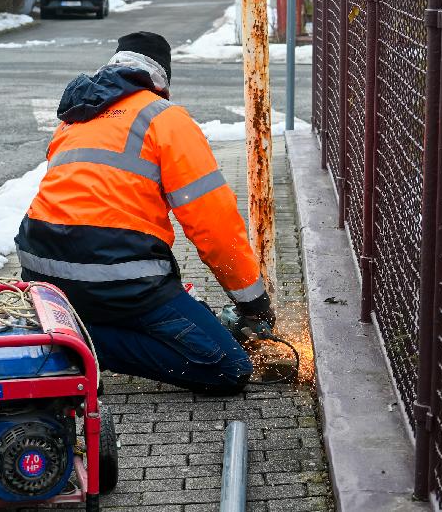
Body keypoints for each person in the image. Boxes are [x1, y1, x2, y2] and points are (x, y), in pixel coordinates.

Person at [15, 31, 275, 394]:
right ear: (160, 80)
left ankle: (68, 330)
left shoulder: (75, 116)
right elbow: (214, 225)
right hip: (118, 279)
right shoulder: (164, 118)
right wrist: (253, 303)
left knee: (147, 309)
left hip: (44, 270)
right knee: (228, 368)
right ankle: (81, 349)